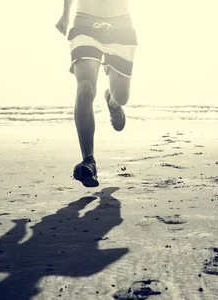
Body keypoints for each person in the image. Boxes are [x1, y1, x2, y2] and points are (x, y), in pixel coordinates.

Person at [56, 0, 138, 188]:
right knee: (85, 88)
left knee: (122, 96)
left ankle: (113, 102)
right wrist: (66, 12)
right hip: (85, 23)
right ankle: (88, 160)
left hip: (121, 25)